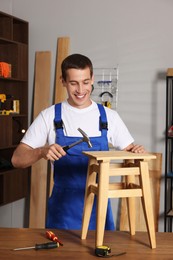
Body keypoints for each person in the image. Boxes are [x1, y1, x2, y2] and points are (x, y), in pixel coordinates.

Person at [12, 53, 146, 230]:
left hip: (99, 208)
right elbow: (17, 159)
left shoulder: (109, 117)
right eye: (74, 83)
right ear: (63, 81)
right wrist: (41, 151)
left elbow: (129, 153)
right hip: (63, 210)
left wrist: (135, 151)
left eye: (85, 82)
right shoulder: (50, 116)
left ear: (92, 79)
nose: (80, 90)